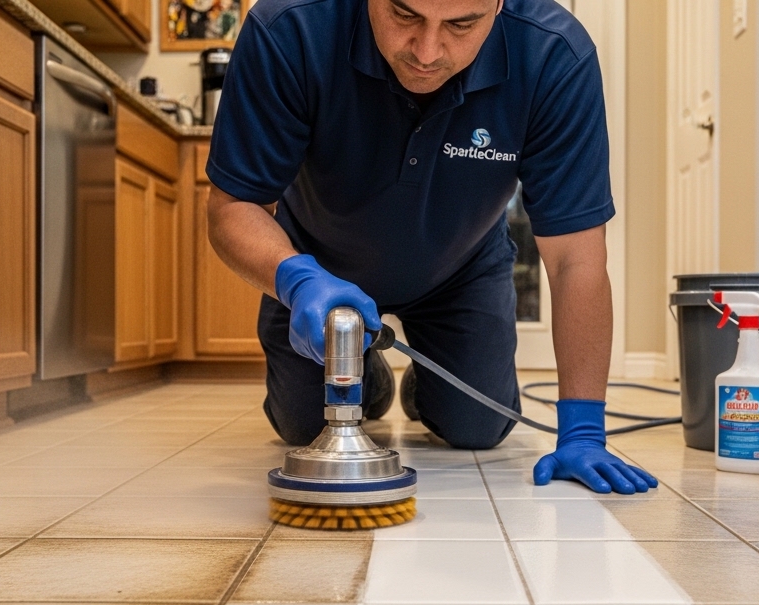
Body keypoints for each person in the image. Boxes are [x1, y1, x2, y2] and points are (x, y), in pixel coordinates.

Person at [205, 0, 657, 494]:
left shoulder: (554, 54)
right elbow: (234, 206)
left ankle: (429, 382)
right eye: (404, 15)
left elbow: (575, 257)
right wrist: (295, 278)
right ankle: (367, 376)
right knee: (302, 427)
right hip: (317, 270)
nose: (426, 51)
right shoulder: (289, 28)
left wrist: (584, 429)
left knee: (478, 428)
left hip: (460, 268)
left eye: (461, 25)